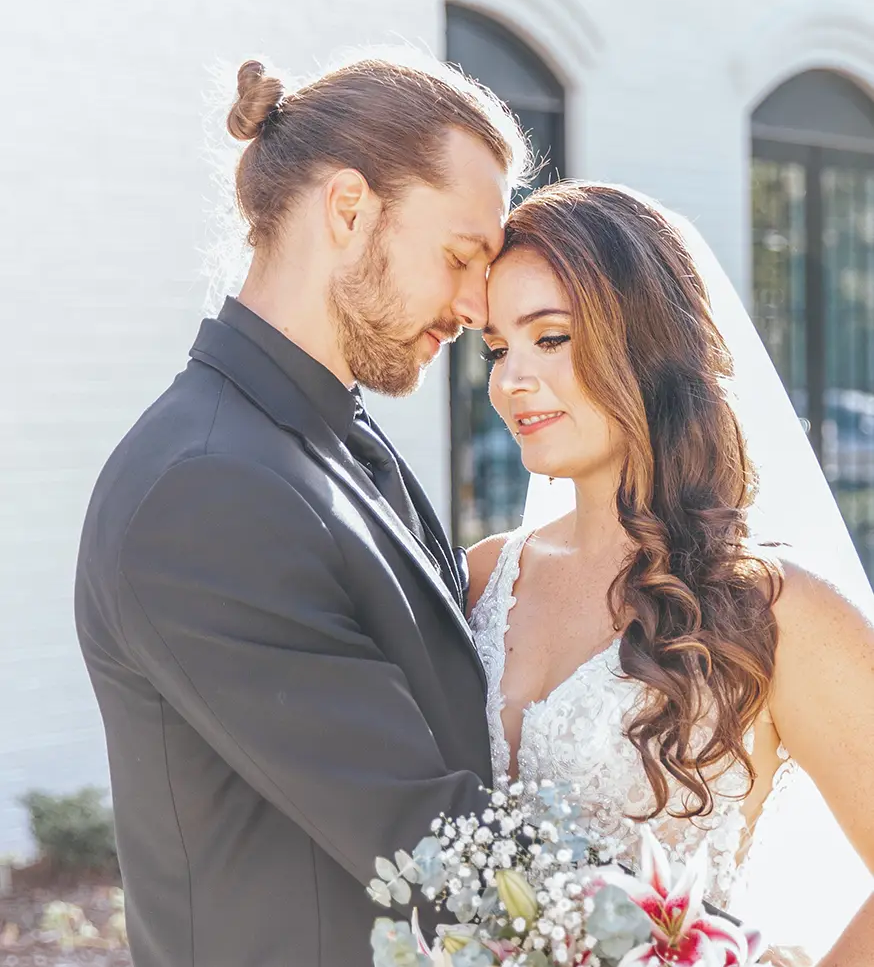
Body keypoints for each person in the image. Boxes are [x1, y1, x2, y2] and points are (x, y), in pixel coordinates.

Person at [74, 53, 530, 967]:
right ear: (349, 208)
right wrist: (685, 928)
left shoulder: (322, 438)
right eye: (460, 256)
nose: (479, 305)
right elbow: (431, 843)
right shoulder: (203, 491)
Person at [468, 182, 874, 966]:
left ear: (645, 342)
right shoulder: (483, 579)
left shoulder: (774, 611)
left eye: (549, 338)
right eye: (494, 348)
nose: (509, 380)